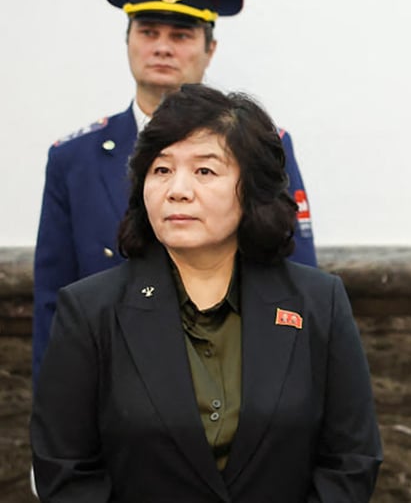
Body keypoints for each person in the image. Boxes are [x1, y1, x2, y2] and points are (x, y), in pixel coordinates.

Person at [31, 84, 382, 502]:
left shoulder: (317, 302)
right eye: (161, 170)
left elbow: (351, 460)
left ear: (251, 189)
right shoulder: (90, 311)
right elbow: (66, 471)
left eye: (205, 171)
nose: (177, 189)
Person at [32, 0, 317, 382]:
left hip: (232, 380)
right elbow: (53, 299)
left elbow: (298, 278)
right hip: (111, 387)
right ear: (127, 40)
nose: (162, 47)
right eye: (148, 31)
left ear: (210, 48)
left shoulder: (262, 147)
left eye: (181, 35)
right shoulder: (74, 159)